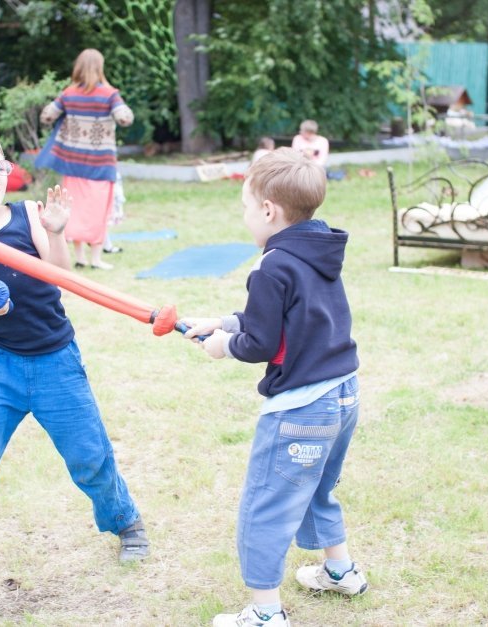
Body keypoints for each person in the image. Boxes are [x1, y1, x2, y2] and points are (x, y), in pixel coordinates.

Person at [0, 129, 150, 601]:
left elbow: (61, 276)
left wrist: (57, 232)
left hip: (55, 360)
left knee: (90, 457)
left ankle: (128, 523)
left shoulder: (29, 215)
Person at [179, 147, 367, 627]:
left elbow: (259, 341)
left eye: (245, 207)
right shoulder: (317, 251)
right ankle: (340, 570)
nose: (245, 216)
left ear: (268, 210)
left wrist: (225, 345)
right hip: (343, 395)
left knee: (267, 502)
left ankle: (265, 613)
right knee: (319, 487)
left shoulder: (271, 265)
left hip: (301, 408)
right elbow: (285, 319)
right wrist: (220, 322)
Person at [36, 48, 134, 270]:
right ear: (100, 68)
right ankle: (96, 259)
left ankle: (79, 257)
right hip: (101, 164)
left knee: (75, 208)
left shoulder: (69, 93)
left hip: (73, 163)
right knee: (99, 211)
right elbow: (124, 118)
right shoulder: (110, 94)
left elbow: (47, 115)